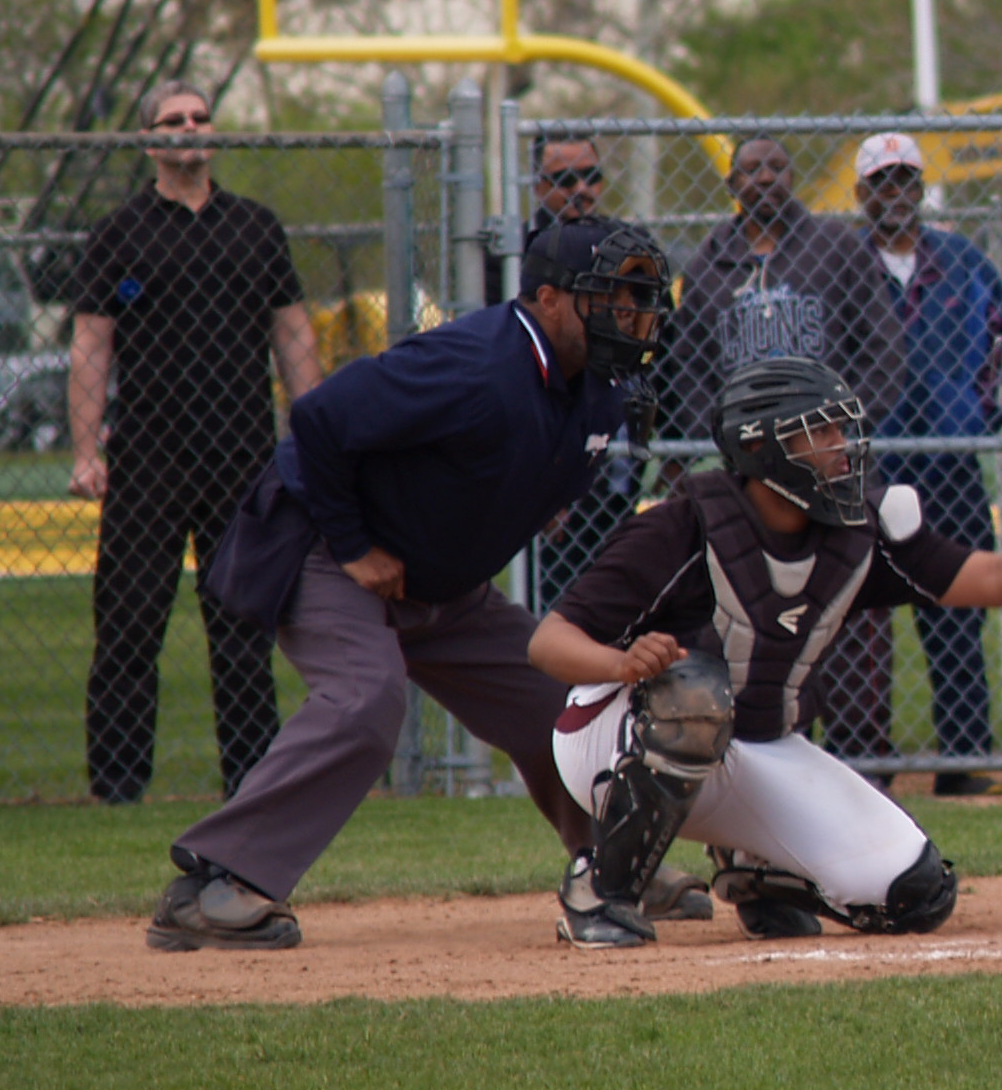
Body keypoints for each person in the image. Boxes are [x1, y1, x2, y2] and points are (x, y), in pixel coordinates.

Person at [144, 218, 672, 951]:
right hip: (329, 549)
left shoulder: (599, 390)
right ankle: (217, 882)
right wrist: (355, 545)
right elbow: (320, 419)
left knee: (559, 702)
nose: (631, 313)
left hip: (441, 583)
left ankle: (613, 869)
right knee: (366, 700)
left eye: (638, 298)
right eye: (611, 296)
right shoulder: (475, 363)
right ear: (549, 299)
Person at [530, 358, 1002, 946]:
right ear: (762, 446)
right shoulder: (682, 527)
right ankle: (601, 889)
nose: (842, 446)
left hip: (749, 744)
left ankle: (757, 871)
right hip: (611, 736)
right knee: (692, 696)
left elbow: (992, 578)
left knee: (914, 893)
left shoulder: (858, 529)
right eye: (820, 431)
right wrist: (619, 664)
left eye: (843, 429)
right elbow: (549, 642)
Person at [67, 80, 322, 804]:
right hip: (147, 458)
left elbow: (293, 334)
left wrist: (312, 440)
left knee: (242, 625)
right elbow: (91, 345)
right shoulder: (118, 234)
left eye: (200, 117)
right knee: (128, 622)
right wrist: (86, 452)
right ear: (150, 141)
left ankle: (251, 780)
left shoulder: (255, 228)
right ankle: (118, 785)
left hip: (243, 458)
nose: (189, 127)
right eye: (173, 120)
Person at [816, 133, 1002, 795]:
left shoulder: (962, 261)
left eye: (906, 179)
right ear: (861, 194)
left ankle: (962, 763)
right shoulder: (842, 264)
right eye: (882, 182)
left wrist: (973, 421)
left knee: (958, 610)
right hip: (864, 471)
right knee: (855, 620)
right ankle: (861, 769)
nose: (896, 193)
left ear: (921, 187)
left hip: (949, 470)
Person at [659, 133, 905, 455]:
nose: (765, 177)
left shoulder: (836, 246)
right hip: (744, 450)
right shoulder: (706, 266)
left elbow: (884, 345)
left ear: (792, 178)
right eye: (751, 170)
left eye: (777, 168)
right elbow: (688, 363)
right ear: (731, 185)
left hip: (829, 446)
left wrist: (843, 422)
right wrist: (721, 433)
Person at [523, 129, 645, 615]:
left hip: (615, 459)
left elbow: (666, 348)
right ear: (538, 185)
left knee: (618, 599)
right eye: (565, 179)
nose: (581, 190)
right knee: (543, 603)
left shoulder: (630, 247)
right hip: (540, 451)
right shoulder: (516, 252)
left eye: (591, 177)